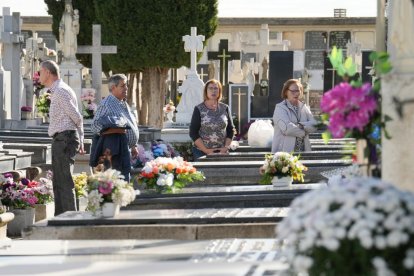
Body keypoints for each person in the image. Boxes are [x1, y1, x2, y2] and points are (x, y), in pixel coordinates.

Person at [39, 60, 85, 215]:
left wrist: (82, 137)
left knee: (64, 182)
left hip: (65, 138)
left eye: (40, 72)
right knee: (58, 182)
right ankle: (61, 219)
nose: (39, 75)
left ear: (47, 72)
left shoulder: (60, 91)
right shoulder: (57, 90)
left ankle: (71, 219)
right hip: (62, 138)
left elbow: (77, 116)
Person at [90, 74, 139, 181]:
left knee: (124, 181)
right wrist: (116, 130)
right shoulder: (106, 104)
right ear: (113, 88)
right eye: (123, 86)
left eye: (126, 86)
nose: (126, 88)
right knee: (116, 183)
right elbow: (94, 126)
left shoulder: (122, 102)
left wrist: (133, 144)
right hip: (113, 152)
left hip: (124, 149)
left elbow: (129, 124)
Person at [189, 79, 236, 160]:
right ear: (206, 91)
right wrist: (206, 151)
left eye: (216, 88)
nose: (213, 91)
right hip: (202, 152)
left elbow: (230, 130)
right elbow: (193, 132)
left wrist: (226, 147)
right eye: (210, 88)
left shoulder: (225, 108)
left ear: (219, 91)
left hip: (222, 152)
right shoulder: (199, 108)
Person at [271, 79, 316, 153]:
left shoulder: (304, 107)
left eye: (298, 90)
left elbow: (315, 125)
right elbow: (287, 128)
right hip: (284, 154)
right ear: (286, 92)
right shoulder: (280, 108)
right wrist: (304, 132)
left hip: (304, 152)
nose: (296, 93)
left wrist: (301, 125)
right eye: (293, 91)